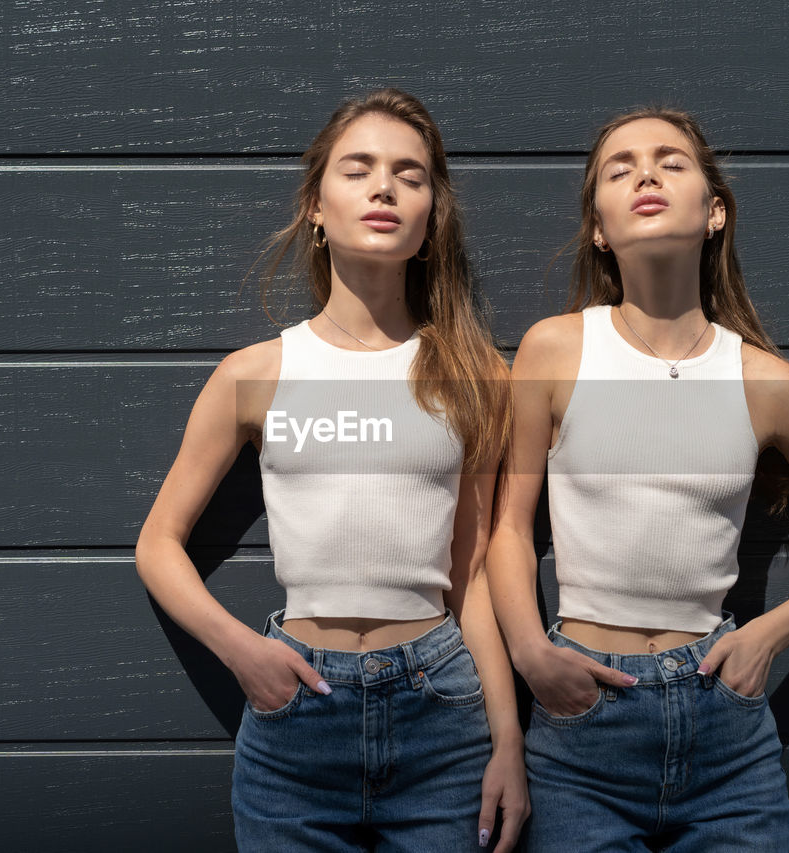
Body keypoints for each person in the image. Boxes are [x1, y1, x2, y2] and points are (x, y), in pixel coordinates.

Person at [486, 107, 789, 851]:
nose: (646, 173)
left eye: (671, 161)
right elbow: (509, 527)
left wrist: (770, 634)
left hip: (724, 731)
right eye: (620, 167)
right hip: (584, 728)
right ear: (599, 229)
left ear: (714, 212)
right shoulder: (558, 349)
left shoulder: (763, 380)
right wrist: (529, 652)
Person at [134, 89, 528, 851]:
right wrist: (244, 651)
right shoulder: (257, 374)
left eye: (410, 175)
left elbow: (471, 574)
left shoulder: (477, 376)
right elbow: (158, 542)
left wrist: (508, 739)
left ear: (429, 217)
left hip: (441, 715)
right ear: (316, 204)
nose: (385, 187)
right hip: (298, 722)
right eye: (360, 169)